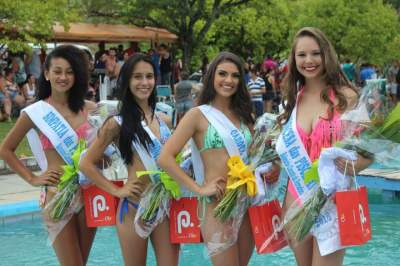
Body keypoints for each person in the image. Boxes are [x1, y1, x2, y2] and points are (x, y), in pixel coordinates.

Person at [272, 27, 372, 266]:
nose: (309, 61)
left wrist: (355, 166)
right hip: (295, 201)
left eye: (315, 53)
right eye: (302, 55)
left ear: (326, 55)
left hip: (334, 202)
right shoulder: (291, 100)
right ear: (294, 60)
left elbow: (370, 149)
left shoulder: (347, 96)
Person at [0, 45, 97, 265]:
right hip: (57, 195)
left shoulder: (90, 109)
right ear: (46, 74)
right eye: (58, 71)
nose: (63, 77)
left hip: (89, 193)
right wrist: (32, 178)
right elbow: (5, 150)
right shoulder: (36, 113)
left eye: (70, 71)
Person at [79, 53, 178, 266]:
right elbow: (86, 164)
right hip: (133, 206)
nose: (144, 82)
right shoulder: (116, 123)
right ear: (127, 81)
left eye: (149, 76)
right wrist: (116, 191)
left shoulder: (164, 120)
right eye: (137, 77)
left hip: (165, 205)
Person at [158, 52, 255, 266]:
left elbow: (254, 156)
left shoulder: (244, 115)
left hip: (245, 203)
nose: (228, 80)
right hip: (216, 206)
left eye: (235, 75)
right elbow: (164, 158)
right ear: (211, 76)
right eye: (222, 74)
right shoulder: (197, 115)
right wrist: (198, 188)